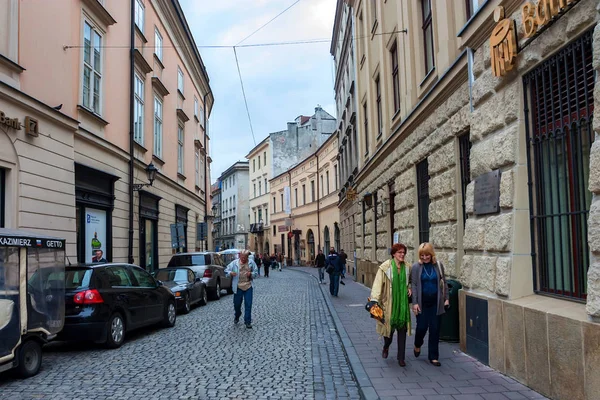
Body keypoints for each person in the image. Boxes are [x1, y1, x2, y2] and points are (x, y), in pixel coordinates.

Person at [369, 243, 412, 367]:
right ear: (393, 254)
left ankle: (401, 358)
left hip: (403, 305)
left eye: (403, 252)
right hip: (389, 304)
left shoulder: (408, 267)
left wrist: (409, 288)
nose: (402, 254)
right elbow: (377, 284)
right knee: (389, 332)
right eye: (399, 252)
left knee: (402, 330)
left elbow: (410, 281)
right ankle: (386, 346)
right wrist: (374, 300)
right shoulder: (385, 267)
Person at [411, 242, 449, 366]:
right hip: (422, 303)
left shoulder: (438, 265)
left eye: (427, 255)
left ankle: (433, 357)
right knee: (421, 327)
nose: (424, 257)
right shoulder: (416, 267)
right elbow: (414, 285)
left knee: (435, 329)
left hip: (435, 303)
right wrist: (415, 303)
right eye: (422, 255)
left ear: (431, 254)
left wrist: (446, 298)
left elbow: (444, 282)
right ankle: (417, 343)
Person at [225, 250, 258, 329]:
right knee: (237, 304)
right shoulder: (234, 263)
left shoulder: (251, 263)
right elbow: (226, 270)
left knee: (248, 304)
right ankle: (237, 314)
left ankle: (247, 321)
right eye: (242, 257)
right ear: (240, 256)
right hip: (238, 287)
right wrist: (230, 273)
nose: (243, 259)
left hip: (248, 286)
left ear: (247, 257)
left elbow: (256, 273)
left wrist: (251, 274)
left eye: (245, 257)